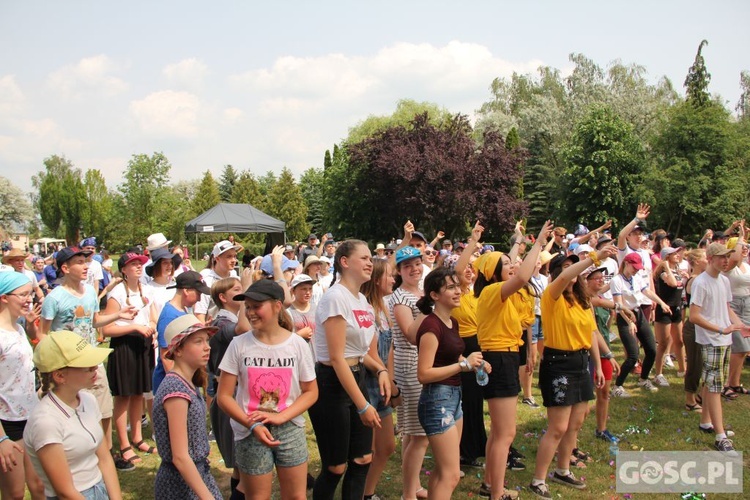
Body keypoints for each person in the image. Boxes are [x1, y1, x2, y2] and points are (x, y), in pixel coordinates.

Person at [40, 246, 138, 472]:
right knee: (71, 412)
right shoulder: (54, 298)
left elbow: (94, 321)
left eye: (87, 262)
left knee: (104, 411)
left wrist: (119, 315)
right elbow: (44, 334)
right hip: (68, 366)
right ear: (65, 268)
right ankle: (74, 459)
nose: (86, 266)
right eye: (80, 263)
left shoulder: (90, 293)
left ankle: (107, 454)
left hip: (91, 359)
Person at [528, 245, 615, 498]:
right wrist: (595, 257)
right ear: (555, 273)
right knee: (558, 427)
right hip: (559, 364)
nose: (572, 273)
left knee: (575, 423)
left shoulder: (581, 299)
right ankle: (538, 479)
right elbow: (566, 277)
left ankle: (563, 470)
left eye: (573, 268)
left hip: (580, 362)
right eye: (566, 267)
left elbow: (591, 333)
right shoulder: (551, 295)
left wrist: (598, 364)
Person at [218, 281, 318, 500]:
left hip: (290, 429)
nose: (251, 312)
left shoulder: (297, 345)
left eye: (257, 306)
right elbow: (223, 396)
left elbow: (311, 391)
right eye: (248, 307)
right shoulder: (239, 345)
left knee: (296, 496)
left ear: (277, 306)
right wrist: (251, 423)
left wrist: (283, 417)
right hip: (251, 430)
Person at [474, 222, 551, 500]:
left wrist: (520, 243)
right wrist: (538, 242)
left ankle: (488, 485)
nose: (512, 264)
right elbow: (521, 276)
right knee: (506, 433)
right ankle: (497, 493)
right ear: (492, 272)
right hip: (500, 358)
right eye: (505, 263)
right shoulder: (494, 291)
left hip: (504, 355)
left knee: (498, 431)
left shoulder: (497, 293)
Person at [308, 240, 390, 500]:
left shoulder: (362, 300)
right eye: (364, 258)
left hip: (358, 378)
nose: (370, 263)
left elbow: (360, 352)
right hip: (331, 384)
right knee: (336, 466)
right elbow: (337, 357)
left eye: (370, 258)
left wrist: (380, 371)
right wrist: (363, 406)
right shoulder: (335, 298)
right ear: (344, 262)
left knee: (363, 458)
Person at [416, 267, 487, 500]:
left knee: (443, 469)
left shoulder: (451, 322)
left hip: (453, 397)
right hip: (437, 400)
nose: (458, 291)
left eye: (458, 286)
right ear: (435, 295)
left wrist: (473, 363)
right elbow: (424, 374)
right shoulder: (431, 326)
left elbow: (449, 355)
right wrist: (462, 365)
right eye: (451, 287)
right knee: (452, 474)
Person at [24, 331, 121, 499]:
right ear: (60, 375)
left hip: (99, 489)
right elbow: (65, 491)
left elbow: (104, 458)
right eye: (87, 367)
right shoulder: (45, 422)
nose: (96, 369)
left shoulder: (88, 400)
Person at [689, 243, 750, 453]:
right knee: (715, 388)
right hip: (712, 340)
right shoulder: (700, 283)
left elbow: (725, 308)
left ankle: (706, 421)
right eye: (721, 257)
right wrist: (720, 329)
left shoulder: (724, 281)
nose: (725, 261)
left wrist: (740, 326)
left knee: (711, 383)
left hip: (724, 339)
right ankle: (720, 435)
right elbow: (694, 316)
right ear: (710, 258)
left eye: (727, 257)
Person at [153, 315, 222, 499]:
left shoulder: (187, 383)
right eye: (198, 342)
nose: (207, 347)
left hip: (195, 475)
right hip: (180, 484)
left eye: (207, 341)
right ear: (178, 350)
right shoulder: (176, 390)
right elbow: (181, 457)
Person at [102, 252, 158, 465]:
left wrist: (151, 327)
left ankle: (137, 437)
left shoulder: (146, 290)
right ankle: (124, 443)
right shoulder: (116, 293)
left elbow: (152, 316)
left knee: (138, 394)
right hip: (124, 345)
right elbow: (107, 329)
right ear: (123, 270)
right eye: (132, 264)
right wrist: (134, 327)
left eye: (139, 263)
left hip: (142, 345)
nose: (137, 267)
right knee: (123, 396)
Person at [0, 273, 44, 500]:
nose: (30, 299)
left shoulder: (17, 328)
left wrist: (29, 327)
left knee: (39, 486)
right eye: (23, 294)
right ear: (4, 297)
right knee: (15, 493)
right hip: (7, 423)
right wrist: (1, 439)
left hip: (30, 415)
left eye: (30, 293)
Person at [388, 246, 428, 500]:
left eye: (417, 263)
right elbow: (410, 335)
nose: (414, 269)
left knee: (413, 434)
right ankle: (408, 494)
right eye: (407, 266)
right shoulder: (401, 297)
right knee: (419, 434)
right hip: (410, 365)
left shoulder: (421, 293)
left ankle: (413, 485)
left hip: (422, 363)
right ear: (399, 271)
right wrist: (427, 308)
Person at [208, 277, 250, 500]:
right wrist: (249, 284)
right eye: (238, 290)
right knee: (243, 465)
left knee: (240, 465)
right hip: (229, 396)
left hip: (237, 393)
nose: (243, 293)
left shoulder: (231, 318)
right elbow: (243, 328)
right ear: (223, 298)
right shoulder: (220, 323)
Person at [361, 259, 400, 500]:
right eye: (389, 276)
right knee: (368, 450)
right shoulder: (364, 308)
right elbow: (365, 351)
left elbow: (391, 347)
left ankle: (366, 492)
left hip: (382, 380)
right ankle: (363, 493)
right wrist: (383, 374)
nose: (394, 279)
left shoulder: (384, 306)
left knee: (386, 447)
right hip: (367, 383)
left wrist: (391, 380)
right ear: (376, 280)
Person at [609, 252, 673, 396]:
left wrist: (661, 303)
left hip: (638, 314)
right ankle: (617, 387)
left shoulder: (636, 278)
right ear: (626, 263)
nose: (636, 270)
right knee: (633, 355)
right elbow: (619, 306)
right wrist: (629, 322)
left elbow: (647, 292)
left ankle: (643, 379)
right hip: (625, 316)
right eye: (634, 267)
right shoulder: (616, 281)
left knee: (651, 350)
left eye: (638, 268)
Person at [153, 271, 212, 394]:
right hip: (171, 386)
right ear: (186, 291)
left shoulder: (183, 309)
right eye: (198, 293)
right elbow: (166, 357)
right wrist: (179, 387)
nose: (200, 298)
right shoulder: (169, 316)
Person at [652, 246, 686, 385]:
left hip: (676, 309)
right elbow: (672, 283)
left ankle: (683, 369)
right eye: (674, 253)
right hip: (664, 310)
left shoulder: (677, 271)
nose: (677, 255)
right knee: (663, 343)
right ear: (667, 257)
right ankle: (658, 374)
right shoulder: (663, 273)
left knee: (679, 340)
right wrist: (665, 266)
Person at [722, 231, 750, 397]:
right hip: (733, 305)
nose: (745, 249)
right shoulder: (729, 266)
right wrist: (740, 237)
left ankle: (735, 382)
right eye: (742, 247)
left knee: (743, 349)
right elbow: (735, 257)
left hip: (746, 304)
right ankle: (726, 384)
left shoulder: (747, 266)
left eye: (747, 246)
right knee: (738, 346)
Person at [195, 240, 243, 323]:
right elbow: (200, 314)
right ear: (217, 259)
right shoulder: (207, 280)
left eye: (235, 256)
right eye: (229, 257)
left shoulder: (236, 277)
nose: (233, 260)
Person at [287, 274, 317, 346]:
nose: (308, 292)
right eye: (304, 289)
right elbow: (283, 340)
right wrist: (298, 335)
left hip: (315, 355)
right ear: (293, 291)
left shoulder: (316, 309)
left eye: (310, 289)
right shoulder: (288, 312)